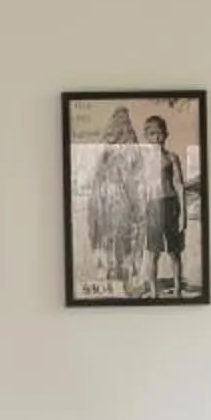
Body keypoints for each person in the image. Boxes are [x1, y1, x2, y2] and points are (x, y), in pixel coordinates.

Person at [87, 104, 142, 292]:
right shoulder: (108, 147)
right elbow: (99, 173)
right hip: (109, 194)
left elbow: (136, 172)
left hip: (121, 194)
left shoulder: (131, 146)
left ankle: (121, 268)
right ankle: (111, 268)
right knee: (109, 233)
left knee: (122, 232)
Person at [143, 112, 187, 299]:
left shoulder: (171, 157)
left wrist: (183, 213)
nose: (156, 137)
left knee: (174, 252)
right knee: (153, 253)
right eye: (152, 134)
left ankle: (177, 290)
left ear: (166, 134)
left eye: (159, 133)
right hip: (152, 206)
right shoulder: (142, 159)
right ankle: (154, 292)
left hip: (170, 205)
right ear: (147, 136)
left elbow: (179, 184)